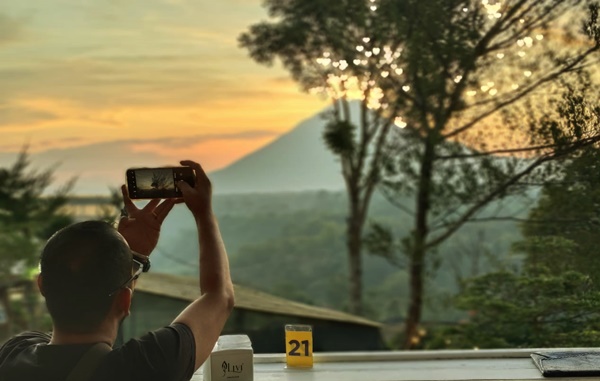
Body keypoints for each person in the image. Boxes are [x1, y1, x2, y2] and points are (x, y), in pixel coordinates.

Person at [0, 160, 235, 381]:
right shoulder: (147, 366)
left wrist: (129, 255)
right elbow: (219, 297)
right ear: (125, 300)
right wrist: (203, 212)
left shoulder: (13, 354)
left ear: (42, 285)